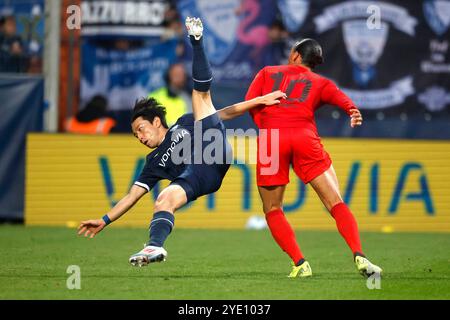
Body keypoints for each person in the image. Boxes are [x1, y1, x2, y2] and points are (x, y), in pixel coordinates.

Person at [77, 17, 286, 267]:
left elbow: (228, 112)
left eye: (141, 129)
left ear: (156, 122)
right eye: (135, 135)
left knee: (200, 97)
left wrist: (260, 100)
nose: (140, 137)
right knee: (163, 200)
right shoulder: (153, 162)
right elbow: (131, 196)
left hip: (213, 149)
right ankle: (154, 247)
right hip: (201, 177)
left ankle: (196, 41)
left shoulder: (184, 122)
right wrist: (105, 220)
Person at [245, 38, 382, 278]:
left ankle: (300, 263)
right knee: (335, 202)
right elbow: (342, 100)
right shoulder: (321, 82)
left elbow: (250, 103)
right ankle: (359, 254)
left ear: (296, 55)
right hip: (304, 137)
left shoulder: (268, 72)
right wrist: (353, 111)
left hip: (272, 140)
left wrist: (267, 126)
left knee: (272, 208)